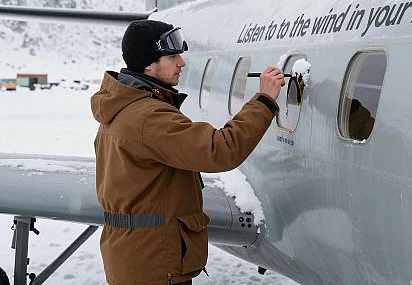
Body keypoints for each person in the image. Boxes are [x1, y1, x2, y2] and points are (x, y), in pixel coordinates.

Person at [91, 19, 284, 285]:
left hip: (135, 257)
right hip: (155, 264)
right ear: (149, 64)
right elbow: (220, 150)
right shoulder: (149, 117)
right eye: (172, 56)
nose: (181, 63)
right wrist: (264, 101)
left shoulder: (122, 107)